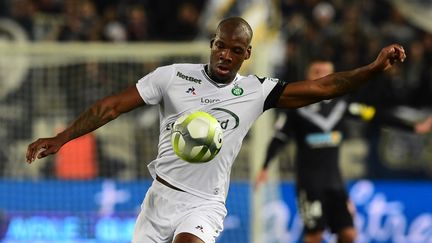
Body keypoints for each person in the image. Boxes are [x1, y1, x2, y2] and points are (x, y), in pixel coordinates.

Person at [26, 17, 406, 243]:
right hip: (159, 198)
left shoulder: (257, 91)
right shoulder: (172, 78)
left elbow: (324, 88)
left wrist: (372, 69)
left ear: (246, 54)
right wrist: (61, 138)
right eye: (221, 46)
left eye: (235, 49)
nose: (226, 54)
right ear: (212, 45)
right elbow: (108, 106)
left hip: (205, 203)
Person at [255, 59, 432, 243]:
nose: (322, 76)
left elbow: (375, 115)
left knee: (349, 234)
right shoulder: (295, 108)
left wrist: (413, 127)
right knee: (314, 235)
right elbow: (279, 138)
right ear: (307, 76)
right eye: (316, 72)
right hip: (309, 184)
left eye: (326, 72)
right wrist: (265, 166)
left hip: (336, 184)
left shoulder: (341, 106)